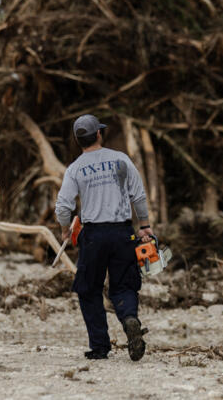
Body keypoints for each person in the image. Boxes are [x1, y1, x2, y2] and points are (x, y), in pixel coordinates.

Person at [55, 114, 154, 361]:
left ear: (79, 140)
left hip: (93, 236)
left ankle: (99, 346)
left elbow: (62, 207)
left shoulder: (75, 168)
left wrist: (65, 229)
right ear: (99, 134)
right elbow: (138, 196)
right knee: (125, 285)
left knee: (88, 289)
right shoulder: (121, 160)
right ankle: (130, 318)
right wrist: (144, 226)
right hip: (122, 232)